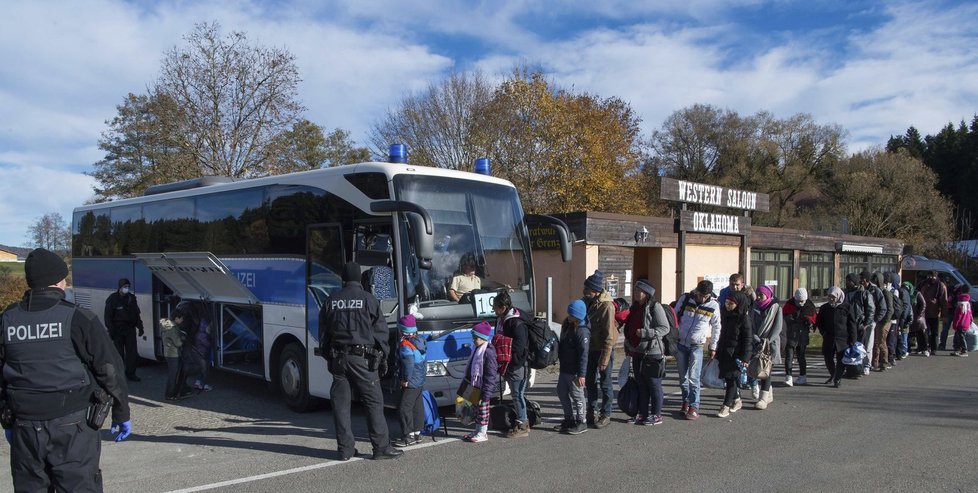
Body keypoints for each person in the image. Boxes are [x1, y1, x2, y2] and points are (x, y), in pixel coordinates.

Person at [1, 248, 132, 492]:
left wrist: (6, 420)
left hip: (25, 428)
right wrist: (121, 412)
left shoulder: (7, 319)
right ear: (59, 281)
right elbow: (110, 370)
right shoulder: (78, 318)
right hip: (72, 428)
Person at [318, 261, 402, 461]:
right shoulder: (368, 299)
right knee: (373, 402)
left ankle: (345, 450)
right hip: (363, 360)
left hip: (339, 359)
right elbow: (381, 333)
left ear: (343, 278)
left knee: (341, 405)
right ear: (360, 279)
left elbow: (323, 333)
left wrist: (328, 356)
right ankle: (381, 447)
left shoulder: (331, 300)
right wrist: (383, 357)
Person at [673, 280, 722, 421]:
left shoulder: (713, 305)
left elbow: (717, 327)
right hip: (681, 344)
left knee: (694, 378)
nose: (702, 298)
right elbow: (674, 316)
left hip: (697, 345)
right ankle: (685, 401)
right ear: (696, 291)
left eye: (706, 296)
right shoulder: (686, 298)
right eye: (701, 295)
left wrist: (713, 346)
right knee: (683, 378)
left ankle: (694, 406)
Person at [623, 279, 669, 426]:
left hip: (652, 352)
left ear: (647, 293)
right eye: (635, 290)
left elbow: (664, 328)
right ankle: (642, 414)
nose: (636, 293)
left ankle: (656, 415)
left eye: (639, 291)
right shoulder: (635, 307)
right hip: (637, 351)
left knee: (653, 384)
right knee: (641, 384)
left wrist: (644, 333)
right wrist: (628, 344)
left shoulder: (655, 307)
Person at [582, 270, 618, 429]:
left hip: (603, 349)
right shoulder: (586, 302)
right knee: (590, 381)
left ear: (596, 290)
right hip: (590, 348)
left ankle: (606, 413)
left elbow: (609, 336)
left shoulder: (606, 306)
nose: (584, 292)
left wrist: (604, 359)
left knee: (605, 382)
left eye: (587, 289)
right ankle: (592, 410)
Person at [492, 291, 530, 438]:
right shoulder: (502, 319)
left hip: (516, 364)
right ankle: (521, 419)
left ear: (503, 307)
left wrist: (508, 356)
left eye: (495, 307)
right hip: (507, 363)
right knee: (516, 395)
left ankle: (523, 424)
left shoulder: (516, 322)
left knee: (517, 395)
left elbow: (519, 346)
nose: (494, 310)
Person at [555, 300, 590, 435]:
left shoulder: (582, 331)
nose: (568, 316)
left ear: (578, 316)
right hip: (565, 368)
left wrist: (582, 374)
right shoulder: (568, 325)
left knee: (577, 396)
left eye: (571, 314)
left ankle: (581, 421)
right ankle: (568, 419)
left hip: (575, 371)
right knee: (561, 392)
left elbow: (584, 354)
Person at [716, 291, 753, 417]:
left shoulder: (743, 318)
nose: (727, 305)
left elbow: (748, 340)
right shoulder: (725, 315)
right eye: (726, 302)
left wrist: (745, 358)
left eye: (731, 304)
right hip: (724, 352)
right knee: (729, 378)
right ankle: (737, 400)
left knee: (731, 379)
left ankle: (725, 406)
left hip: (736, 354)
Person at [461, 322, 498, 443]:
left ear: (483, 338)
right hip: (474, 386)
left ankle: (482, 433)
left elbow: (491, 375)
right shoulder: (476, 349)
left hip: (483, 388)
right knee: (476, 410)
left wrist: (486, 394)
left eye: (475, 338)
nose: (473, 340)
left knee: (483, 411)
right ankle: (477, 431)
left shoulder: (488, 352)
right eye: (473, 338)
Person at [394, 314, 427, 447]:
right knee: (417, 406)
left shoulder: (405, 344)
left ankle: (408, 436)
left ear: (402, 330)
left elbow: (408, 364)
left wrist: (404, 379)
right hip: (420, 378)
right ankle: (418, 433)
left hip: (411, 380)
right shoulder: (420, 340)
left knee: (404, 408)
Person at [104, 278, 145, 381]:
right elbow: (108, 317)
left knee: (132, 353)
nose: (126, 288)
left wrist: (140, 327)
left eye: (128, 287)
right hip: (117, 329)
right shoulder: (112, 299)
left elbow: (136, 314)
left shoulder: (131, 298)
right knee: (119, 354)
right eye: (125, 287)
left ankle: (131, 373)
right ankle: (119, 375)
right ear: (120, 287)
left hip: (129, 328)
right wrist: (111, 331)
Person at [817, 287, 858, 388]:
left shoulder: (847, 307)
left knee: (841, 360)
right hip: (829, 338)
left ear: (839, 297)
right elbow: (820, 322)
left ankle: (837, 379)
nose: (831, 299)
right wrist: (824, 333)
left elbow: (852, 324)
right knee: (828, 358)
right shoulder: (824, 308)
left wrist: (853, 339)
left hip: (843, 339)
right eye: (829, 296)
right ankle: (833, 374)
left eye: (833, 297)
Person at [750, 285, 782, 410]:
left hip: (770, 344)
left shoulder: (776, 308)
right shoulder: (754, 307)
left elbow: (777, 327)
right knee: (758, 369)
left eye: (761, 295)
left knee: (766, 370)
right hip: (757, 343)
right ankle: (768, 394)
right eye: (757, 294)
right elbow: (751, 324)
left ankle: (763, 398)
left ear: (767, 295)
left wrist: (766, 341)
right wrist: (756, 339)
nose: (758, 297)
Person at [782, 288, 817, 386]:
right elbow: (783, 317)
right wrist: (791, 318)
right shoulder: (789, 305)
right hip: (791, 334)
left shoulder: (809, 306)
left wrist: (808, 321)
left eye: (803, 301)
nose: (800, 303)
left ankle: (802, 376)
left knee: (801, 356)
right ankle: (788, 376)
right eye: (798, 301)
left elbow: (813, 318)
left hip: (802, 335)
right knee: (789, 356)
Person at [160, 309, 194, 401]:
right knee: (173, 376)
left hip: (169, 353)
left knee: (173, 375)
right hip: (173, 354)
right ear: (176, 318)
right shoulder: (173, 329)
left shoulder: (167, 326)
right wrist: (182, 337)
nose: (182, 320)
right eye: (181, 318)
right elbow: (178, 343)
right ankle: (170, 395)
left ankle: (174, 393)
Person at [844, 273, 874, 370]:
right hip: (849, 324)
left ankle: (861, 367)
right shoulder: (846, 292)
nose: (846, 283)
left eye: (848, 281)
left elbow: (870, 309)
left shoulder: (863, 293)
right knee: (849, 346)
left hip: (860, 324)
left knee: (860, 347)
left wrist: (866, 323)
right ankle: (850, 368)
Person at [866, 272, 892, 372]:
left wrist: (884, 321)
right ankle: (875, 362)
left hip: (884, 321)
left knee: (881, 342)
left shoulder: (886, 292)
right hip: (876, 320)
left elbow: (889, 309)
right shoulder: (874, 291)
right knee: (875, 343)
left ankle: (884, 363)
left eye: (875, 280)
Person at [918, 271, 948, 356]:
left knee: (934, 332)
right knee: (924, 330)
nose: (931, 278)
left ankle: (934, 348)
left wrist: (944, 314)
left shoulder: (940, 286)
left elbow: (944, 301)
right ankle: (924, 347)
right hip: (923, 312)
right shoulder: (923, 284)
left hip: (935, 312)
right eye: (929, 276)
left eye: (933, 277)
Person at [189, 318, 214, 392]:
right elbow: (207, 345)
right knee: (205, 370)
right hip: (204, 354)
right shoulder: (204, 336)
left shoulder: (197, 334)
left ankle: (197, 382)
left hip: (198, 354)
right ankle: (204, 385)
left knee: (200, 369)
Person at [950, 284, 972, 357]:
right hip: (966, 322)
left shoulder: (961, 303)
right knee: (958, 337)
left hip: (961, 323)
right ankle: (957, 349)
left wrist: (955, 324)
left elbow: (958, 315)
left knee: (961, 337)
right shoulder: (968, 303)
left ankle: (964, 350)